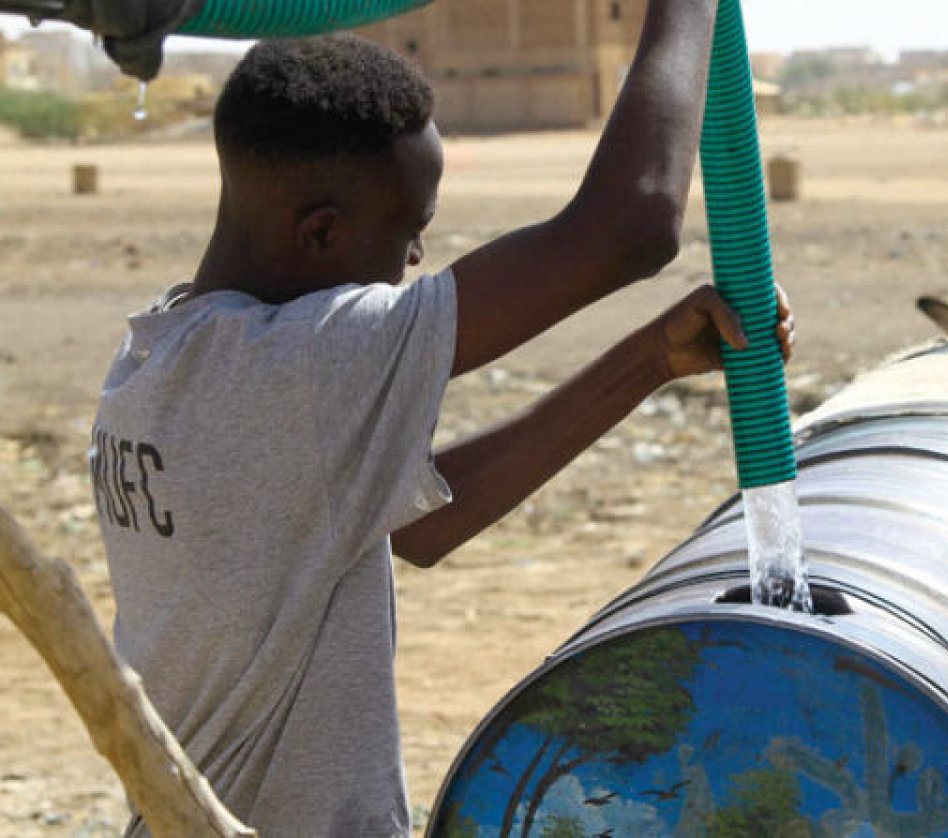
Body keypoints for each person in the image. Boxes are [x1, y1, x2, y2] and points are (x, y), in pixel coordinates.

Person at [89, 7, 793, 834]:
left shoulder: (160, 359)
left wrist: (647, 363)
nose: (416, 262)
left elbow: (419, 528)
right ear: (321, 233)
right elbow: (631, 226)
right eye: (410, 233)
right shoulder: (296, 367)